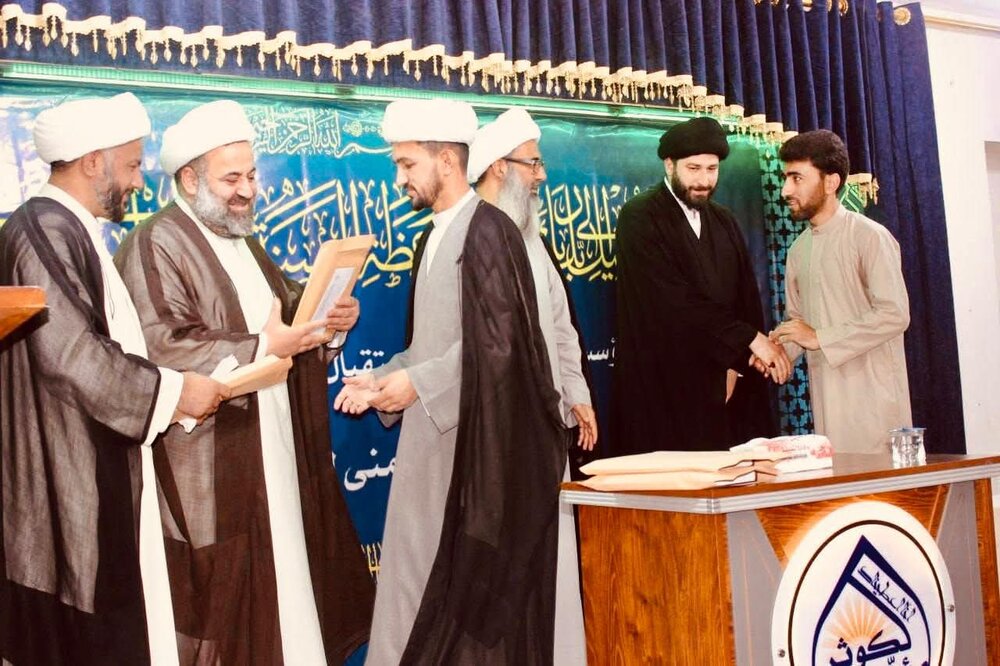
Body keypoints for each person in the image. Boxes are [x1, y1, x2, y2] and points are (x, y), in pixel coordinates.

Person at [114, 100, 375, 665]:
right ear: (189, 179)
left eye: (251, 176)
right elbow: (161, 344)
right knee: (226, 612)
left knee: (289, 595)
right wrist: (261, 346)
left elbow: (288, 315)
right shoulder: (155, 243)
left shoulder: (243, 241)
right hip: (213, 464)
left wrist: (329, 324)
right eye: (231, 179)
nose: (247, 191)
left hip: (274, 451)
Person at [335, 99, 568, 664]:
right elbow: (430, 347)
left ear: (446, 160)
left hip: (471, 458)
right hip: (432, 446)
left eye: (407, 164)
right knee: (412, 597)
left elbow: (503, 347)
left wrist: (417, 385)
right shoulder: (434, 236)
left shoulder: (489, 232)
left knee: (452, 614)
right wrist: (380, 379)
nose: (399, 179)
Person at [0, 92, 229, 665]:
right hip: (64, 494)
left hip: (91, 475)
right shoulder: (44, 229)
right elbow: (72, 356)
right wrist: (176, 392)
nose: (137, 180)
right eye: (130, 165)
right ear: (91, 162)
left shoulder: (70, 229)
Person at [467, 107, 592, 664]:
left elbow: (560, 327)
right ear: (499, 166)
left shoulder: (532, 239)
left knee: (553, 559)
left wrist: (577, 396)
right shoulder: (472, 236)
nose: (541, 175)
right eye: (533, 164)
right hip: (497, 436)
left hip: (546, 427)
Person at [612, 116, 784, 455]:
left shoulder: (724, 220)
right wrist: (748, 340)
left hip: (723, 387)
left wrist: (737, 362)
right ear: (670, 165)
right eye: (694, 169)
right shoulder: (640, 217)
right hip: (664, 389)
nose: (704, 181)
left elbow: (745, 298)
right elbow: (672, 301)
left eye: (712, 169)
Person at [770, 129, 911, 453]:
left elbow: (895, 314)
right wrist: (774, 353)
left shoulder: (869, 236)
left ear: (831, 182)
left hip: (875, 406)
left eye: (796, 178)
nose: (785, 190)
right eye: (786, 178)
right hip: (826, 404)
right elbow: (799, 326)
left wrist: (820, 338)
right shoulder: (798, 250)